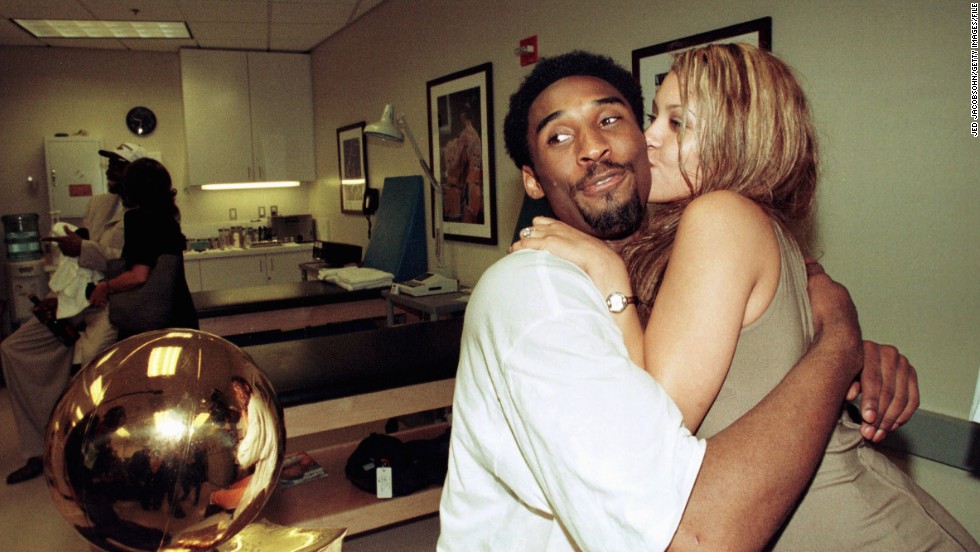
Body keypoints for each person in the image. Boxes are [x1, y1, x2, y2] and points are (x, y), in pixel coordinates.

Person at [438, 51, 914, 551]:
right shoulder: (656, 247)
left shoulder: (718, 218)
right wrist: (840, 338)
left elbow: (655, 416)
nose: (646, 139)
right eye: (652, 117)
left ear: (736, 139)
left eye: (676, 122)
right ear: (532, 178)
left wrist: (611, 276)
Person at [1, 142, 145, 484]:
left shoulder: (143, 212)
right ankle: (40, 446)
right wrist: (56, 296)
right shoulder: (98, 204)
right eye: (110, 165)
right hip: (76, 300)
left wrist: (84, 249)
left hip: (109, 304)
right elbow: (78, 264)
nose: (110, 171)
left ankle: (86, 452)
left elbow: (128, 263)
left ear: (137, 172)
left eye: (119, 165)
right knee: (14, 348)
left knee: (91, 362)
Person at [87, 158, 197, 337]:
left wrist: (105, 286)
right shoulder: (168, 218)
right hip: (178, 314)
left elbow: (138, 275)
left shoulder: (139, 220)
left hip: (151, 323)